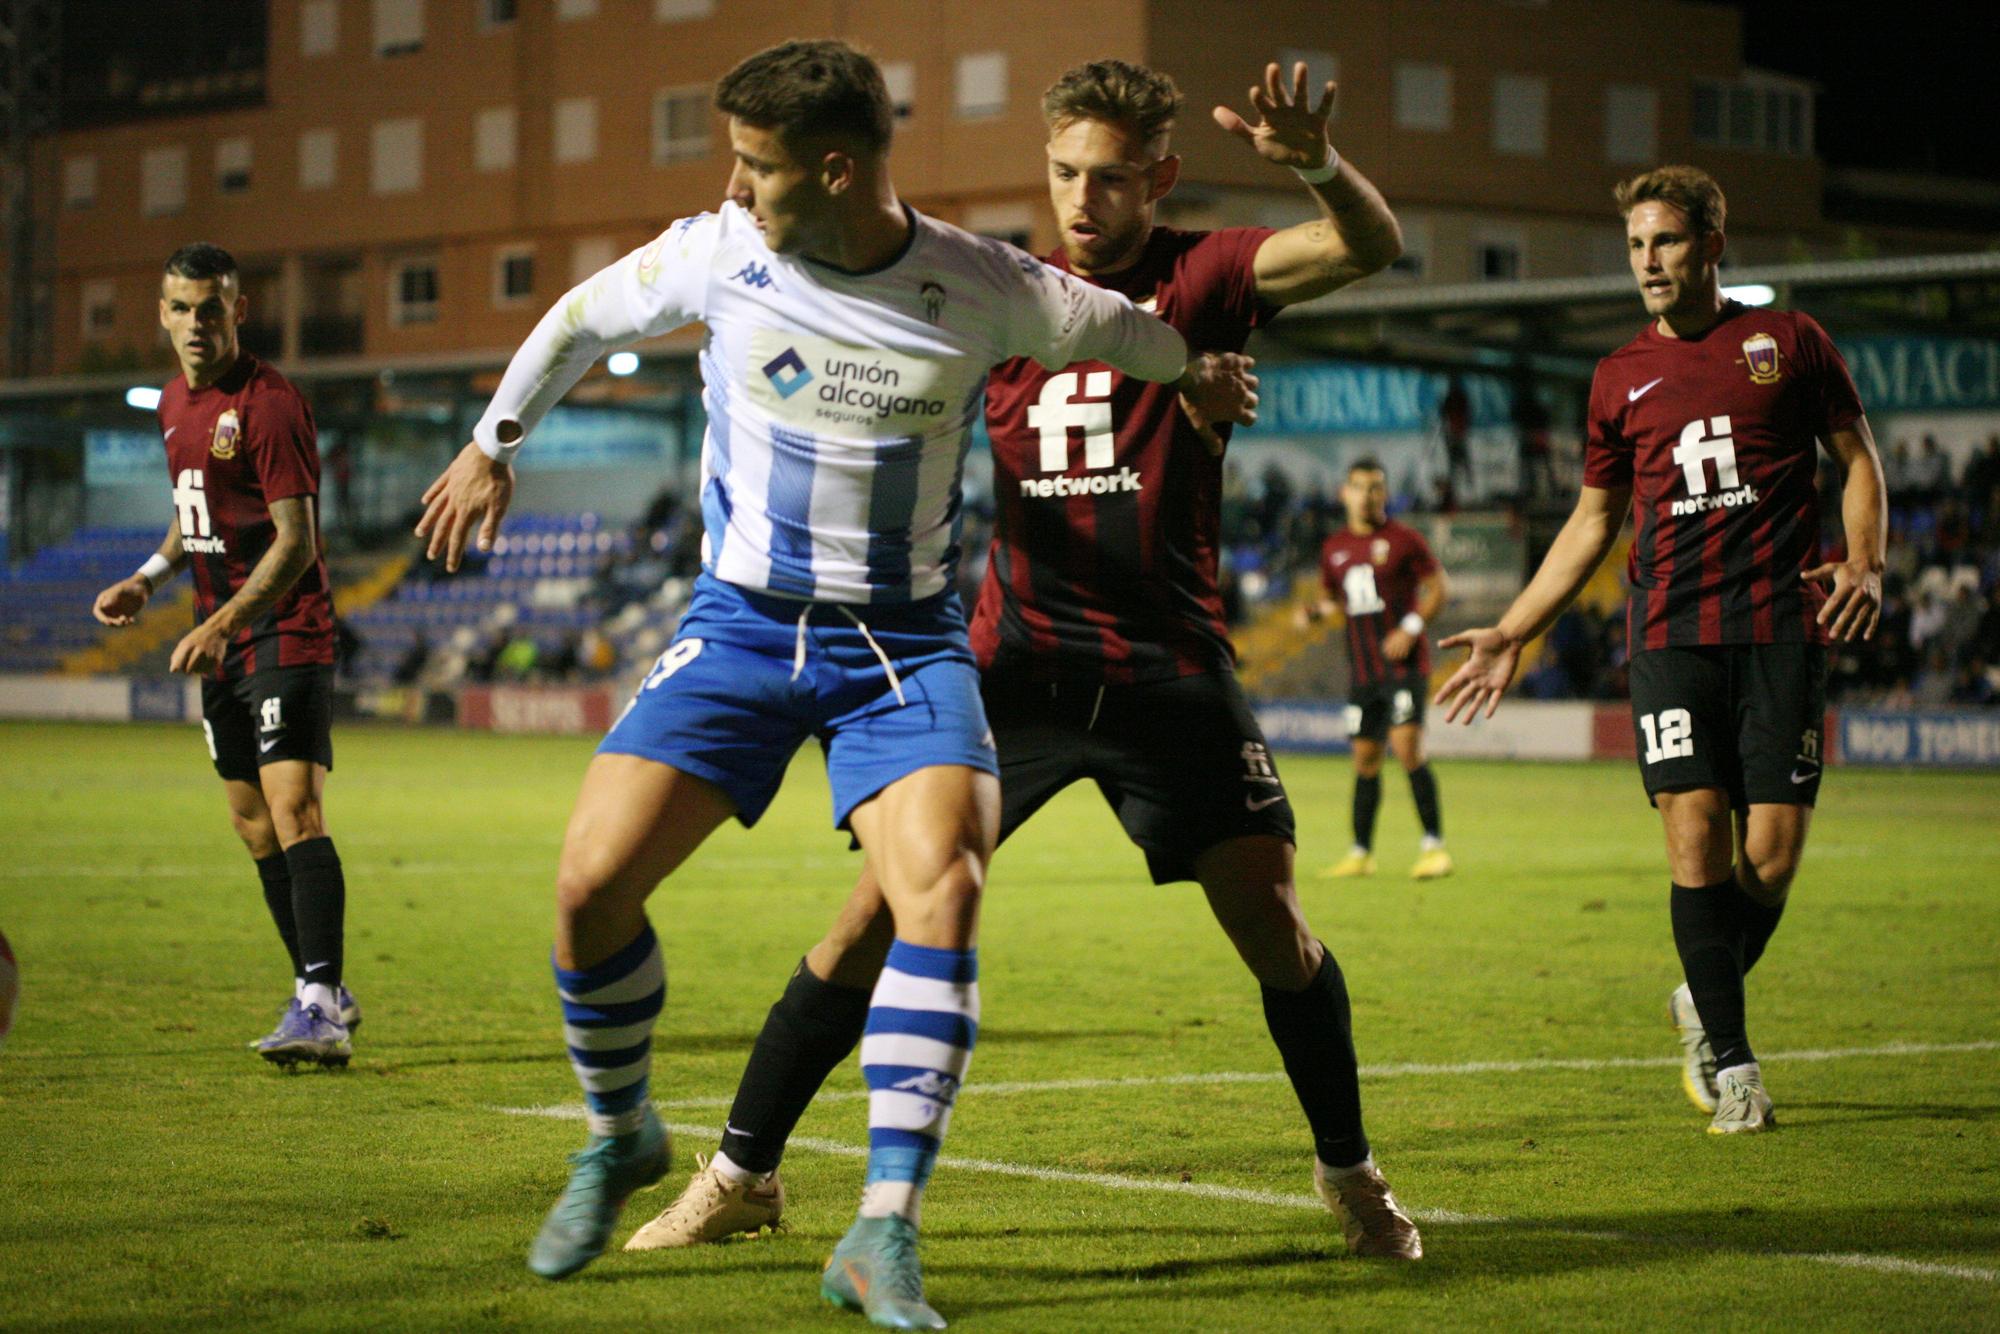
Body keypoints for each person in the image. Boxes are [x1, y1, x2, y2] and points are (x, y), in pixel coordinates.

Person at [413, 40, 1245, 1325]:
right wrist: (491, 444)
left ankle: (879, 1229)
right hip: (739, 627)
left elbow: (1138, 334)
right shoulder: (719, 253)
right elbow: (578, 314)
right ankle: (621, 1129)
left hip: (900, 648)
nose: (734, 189)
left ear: (836, 167)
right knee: (587, 889)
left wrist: (1196, 373)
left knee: (942, 889)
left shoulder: (983, 285)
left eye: (755, 165)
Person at [632, 57, 1425, 1265]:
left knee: (1277, 929)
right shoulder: (988, 289)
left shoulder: (1202, 277)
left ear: (1158, 176)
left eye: (1110, 179)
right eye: (1063, 174)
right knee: (866, 923)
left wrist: (1314, 163)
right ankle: (740, 1170)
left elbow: (1364, 246)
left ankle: (1348, 1171)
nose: (1082, 202)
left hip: (1168, 671)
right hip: (1011, 670)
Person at [1433, 166, 1886, 1135]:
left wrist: (1867, 561)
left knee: (1767, 855)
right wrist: (1513, 627)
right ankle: (1733, 1065)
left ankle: (1697, 991)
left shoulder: (1788, 342)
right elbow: (1592, 518)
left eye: (1665, 241)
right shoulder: (1615, 377)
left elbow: (1857, 458)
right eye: (1636, 244)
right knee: (1693, 833)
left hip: (1777, 627)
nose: (1646, 260)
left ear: (1712, 246)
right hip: (1670, 632)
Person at [92, 243, 358, 1068]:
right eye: (181, 308)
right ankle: (319, 994)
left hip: (284, 628)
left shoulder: (271, 404)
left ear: (239, 311)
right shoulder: (173, 400)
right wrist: (149, 576)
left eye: (212, 308)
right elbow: (195, 513)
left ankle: (319, 1000)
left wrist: (222, 623)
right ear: (162, 314)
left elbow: (296, 542)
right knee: (251, 826)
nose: (196, 324)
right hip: (222, 640)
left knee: (294, 810)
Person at [1301, 458, 1451, 880]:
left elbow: (1440, 587)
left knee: (1407, 749)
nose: (1368, 495)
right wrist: (1315, 612)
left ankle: (1434, 847)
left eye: (1376, 488)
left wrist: (1412, 626)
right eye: (1360, 487)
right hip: (1363, 671)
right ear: (1343, 494)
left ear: (1384, 494)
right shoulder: (1334, 548)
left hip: (1404, 666)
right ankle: (1361, 853)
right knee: (1365, 759)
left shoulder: (1404, 540)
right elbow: (1335, 599)